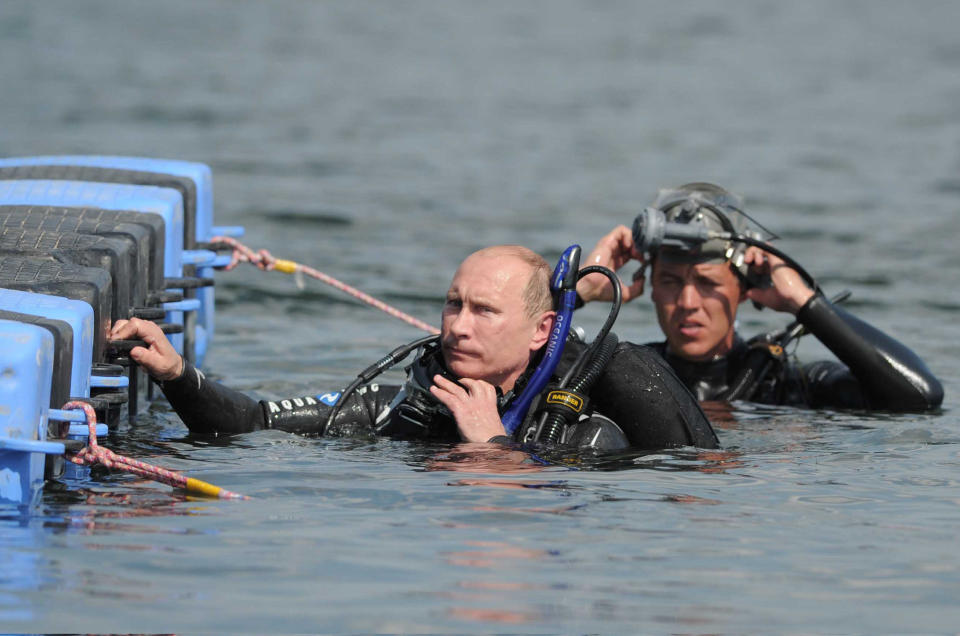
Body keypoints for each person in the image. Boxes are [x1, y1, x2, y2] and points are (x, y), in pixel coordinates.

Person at [111, 245, 718, 450]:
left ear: (541, 330)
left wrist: (492, 445)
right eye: (454, 304)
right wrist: (175, 371)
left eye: (484, 311)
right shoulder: (405, 406)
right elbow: (251, 423)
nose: (458, 325)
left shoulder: (586, 434)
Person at [576, 183, 943, 411]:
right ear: (651, 287)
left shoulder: (785, 385)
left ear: (743, 289)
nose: (688, 302)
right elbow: (522, 369)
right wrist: (581, 291)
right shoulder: (623, 373)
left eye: (708, 283)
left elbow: (919, 396)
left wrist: (805, 303)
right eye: (671, 282)